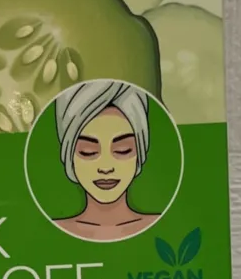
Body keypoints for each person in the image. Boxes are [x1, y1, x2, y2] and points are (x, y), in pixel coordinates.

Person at [52, 78, 160, 240]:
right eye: (88, 152)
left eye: (123, 150)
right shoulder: (49, 230)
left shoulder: (165, 224)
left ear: (140, 152)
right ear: (69, 155)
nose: (106, 167)